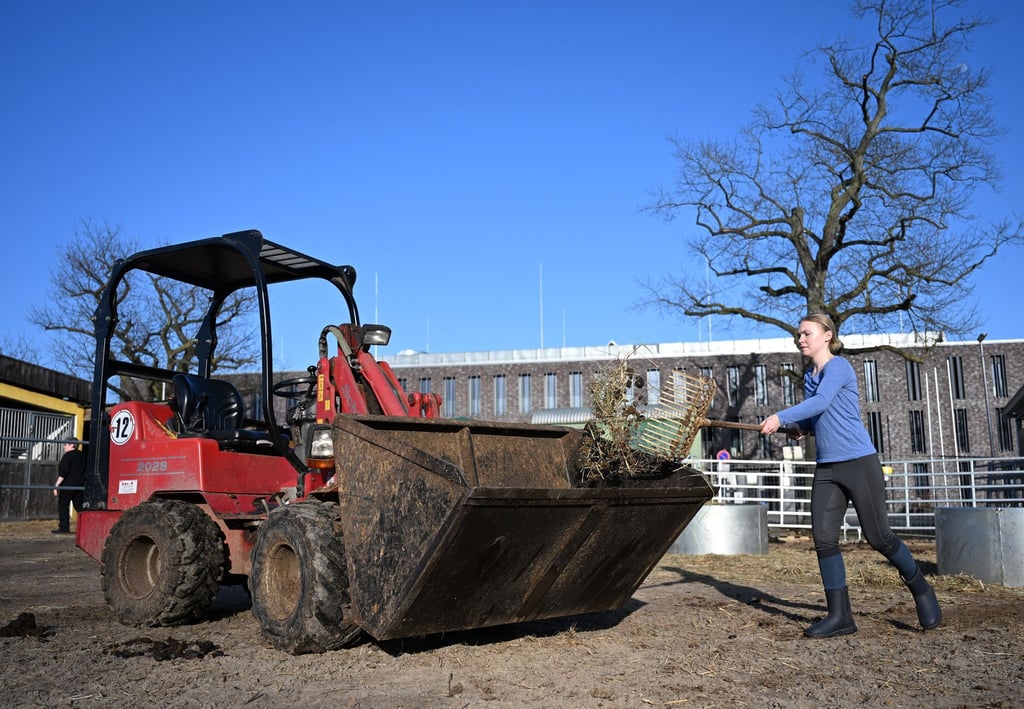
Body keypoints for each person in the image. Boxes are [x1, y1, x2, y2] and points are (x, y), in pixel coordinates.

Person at [760, 313, 941, 638]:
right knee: (824, 539)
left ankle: (922, 589)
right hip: (827, 467)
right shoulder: (809, 375)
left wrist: (779, 416)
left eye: (806, 333)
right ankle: (840, 615)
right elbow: (822, 415)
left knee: (879, 538)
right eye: (798, 335)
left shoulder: (838, 367)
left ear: (827, 335)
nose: (800, 339)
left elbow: (822, 401)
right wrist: (800, 427)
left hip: (858, 462)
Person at [52, 440, 86, 535]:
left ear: (72, 445)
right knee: (79, 507)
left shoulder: (68, 456)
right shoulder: (82, 456)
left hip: (68, 485)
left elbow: (63, 472)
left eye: (66, 445)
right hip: (80, 485)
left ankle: (64, 528)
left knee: (63, 505)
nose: (64, 447)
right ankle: (86, 527)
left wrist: (57, 485)